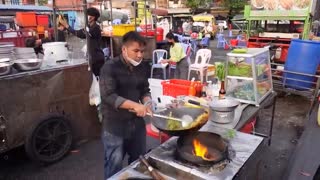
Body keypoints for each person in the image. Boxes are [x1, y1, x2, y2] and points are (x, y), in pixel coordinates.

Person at [99, 31, 155, 179]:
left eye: (142, 51)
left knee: (138, 161)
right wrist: (135, 106)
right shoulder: (109, 68)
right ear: (124, 49)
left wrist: (147, 102)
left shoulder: (142, 66)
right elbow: (108, 96)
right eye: (135, 51)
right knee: (114, 166)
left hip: (136, 123)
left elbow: (144, 89)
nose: (140, 55)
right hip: (114, 125)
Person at [59, 7, 104, 77]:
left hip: (96, 58)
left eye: (86, 15)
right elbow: (78, 32)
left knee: (97, 78)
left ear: (92, 17)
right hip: (91, 56)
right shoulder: (89, 26)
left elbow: (81, 35)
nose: (85, 17)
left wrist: (67, 26)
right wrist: (67, 27)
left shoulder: (95, 28)